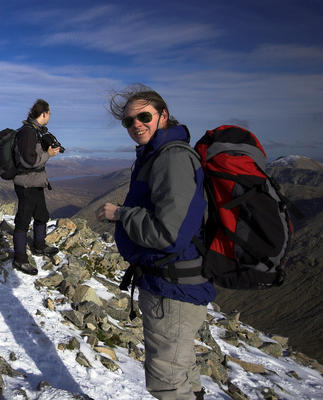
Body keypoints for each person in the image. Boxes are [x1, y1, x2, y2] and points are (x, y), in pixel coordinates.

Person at [95, 84, 215, 400]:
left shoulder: (171, 159)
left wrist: (121, 214)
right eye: (128, 121)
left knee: (167, 383)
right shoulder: (158, 154)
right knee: (182, 367)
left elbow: (169, 233)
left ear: (163, 115)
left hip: (171, 288)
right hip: (171, 283)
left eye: (144, 116)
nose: (136, 125)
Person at [12, 99, 61, 276]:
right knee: (23, 220)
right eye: (50, 113)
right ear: (45, 113)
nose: (50, 116)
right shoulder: (27, 132)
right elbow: (29, 160)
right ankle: (19, 258)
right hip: (26, 183)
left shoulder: (35, 131)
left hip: (36, 182)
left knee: (42, 215)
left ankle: (39, 245)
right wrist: (48, 154)